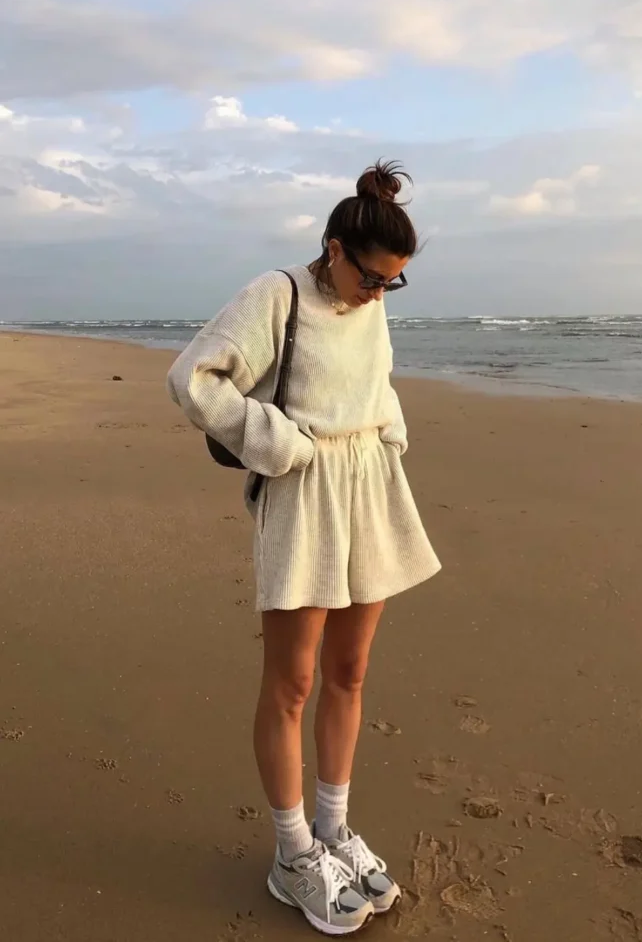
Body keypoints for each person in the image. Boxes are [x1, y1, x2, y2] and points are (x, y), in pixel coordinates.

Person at [167, 160, 441, 936]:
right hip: (304, 489)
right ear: (333, 247)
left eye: (394, 283)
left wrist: (391, 433)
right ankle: (291, 855)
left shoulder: (371, 300)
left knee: (349, 672)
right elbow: (194, 379)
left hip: (369, 488)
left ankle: (331, 830)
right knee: (290, 682)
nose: (379, 293)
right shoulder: (277, 294)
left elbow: (375, 380)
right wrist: (275, 442)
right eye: (372, 277)